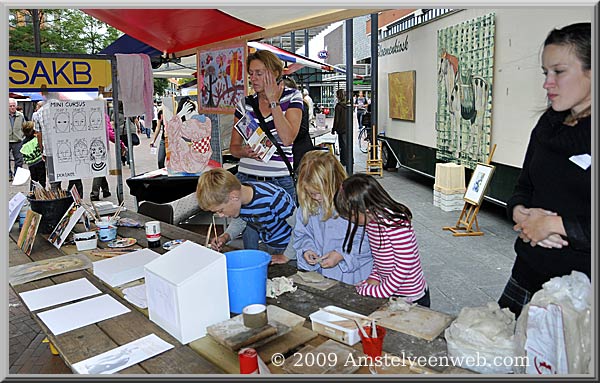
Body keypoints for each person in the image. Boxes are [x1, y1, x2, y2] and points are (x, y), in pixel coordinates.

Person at [498, 23, 591, 317]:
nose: (547, 83)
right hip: (528, 273)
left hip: (582, 295)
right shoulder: (547, 126)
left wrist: (556, 225)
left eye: (559, 72)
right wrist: (521, 213)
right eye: (545, 73)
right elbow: (523, 185)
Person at [229, 50, 302, 250]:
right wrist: (244, 152)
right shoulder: (245, 103)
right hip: (248, 178)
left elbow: (288, 138)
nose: (253, 78)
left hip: (278, 179)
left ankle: (284, 275)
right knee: (250, 236)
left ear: (275, 73)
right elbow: (233, 148)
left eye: (259, 73)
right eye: (251, 73)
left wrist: (273, 101)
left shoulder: (293, 97)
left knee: (285, 235)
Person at [334, 173, 430, 306]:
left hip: (411, 297)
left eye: (352, 217)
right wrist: (374, 277)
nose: (351, 221)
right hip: (392, 292)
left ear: (366, 210)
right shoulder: (371, 222)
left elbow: (404, 265)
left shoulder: (396, 222)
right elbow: (380, 259)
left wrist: (380, 291)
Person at [294, 151, 373, 284]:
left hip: (356, 277)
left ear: (335, 182)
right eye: (311, 193)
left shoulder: (353, 205)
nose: (316, 198)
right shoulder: (308, 206)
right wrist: (308, 249)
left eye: (319, 193)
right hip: (324, 277)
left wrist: (342, 255)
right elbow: (302, 234)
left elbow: (368, 242)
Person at [196, 168, 295, 258]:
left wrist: (287, 256)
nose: (221, 215)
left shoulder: (275, 198)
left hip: (292, 247)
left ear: (233, 196)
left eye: (221, 210)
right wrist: (225, 237)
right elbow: (240, 221)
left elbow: (300, 227)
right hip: (269, 244)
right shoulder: (240, 200)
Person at [91, 113, 127, 201]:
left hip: (90, 146)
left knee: (100, 167)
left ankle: (105, 190)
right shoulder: (102, 115)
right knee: (99, 169)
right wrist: (121, 144)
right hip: (100, 147)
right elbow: (109, 133)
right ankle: (94, 194)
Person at [20, 121, 46, 191]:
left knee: (34, 179)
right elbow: (41, 147)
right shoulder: (36, 139)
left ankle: (33, 193)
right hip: (39, 161)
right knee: (42, 179)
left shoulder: (24, 142)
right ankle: (42, 192)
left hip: (31, 164)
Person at [9, 98, 25, 182]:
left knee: (19, 159)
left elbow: (24, 126)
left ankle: (18, 175)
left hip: (18, 140)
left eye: (13, 106)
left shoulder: (20, 115)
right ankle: (8, 175)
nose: (12, 107)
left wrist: (22, 135)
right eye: (10, 106)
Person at [332, 89, 350, 167]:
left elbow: (337, 119)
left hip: (341, 128)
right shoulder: (348, 105)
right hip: (348, 128)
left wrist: (333, 129)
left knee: (342, 145)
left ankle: (343, 160)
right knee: (348, 144)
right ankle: (350, 159)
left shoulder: (338, 106)